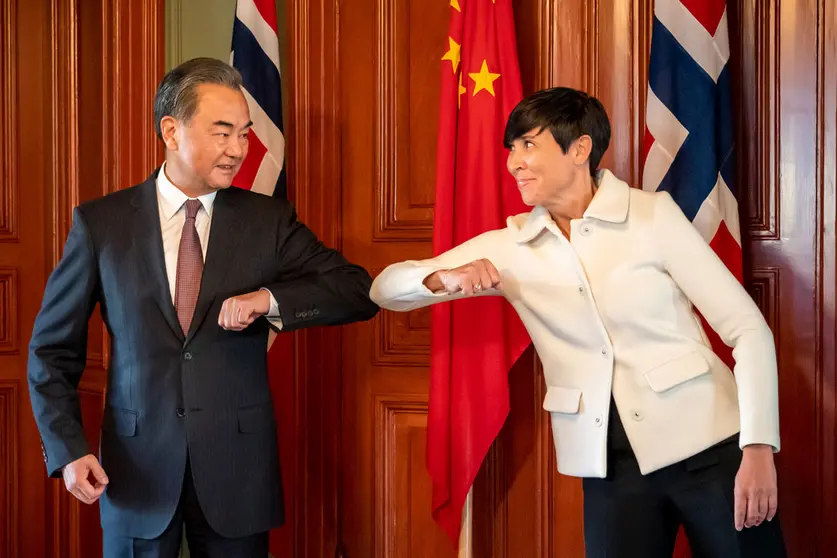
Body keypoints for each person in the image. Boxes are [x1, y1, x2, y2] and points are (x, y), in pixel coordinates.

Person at [369, 86, 787, 557]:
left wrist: (757, 449)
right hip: (608, 466)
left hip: (711, 448)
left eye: (529, 144)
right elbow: (383, 289)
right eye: (512, 148)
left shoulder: (653, 218)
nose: (513, 163)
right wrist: (443, 278)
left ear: (580, 149)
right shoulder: (511, 245)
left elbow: (747, 330)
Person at [28, 57, 379, 558]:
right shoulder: (101, 225)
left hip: (238, 473)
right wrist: (67, 451)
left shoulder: (268, 221)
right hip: (134, 473)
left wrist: (270, 299)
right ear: (171, 130)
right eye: (222, 132)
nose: (238, 150)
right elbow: (50, 352)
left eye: (244, 134)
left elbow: (356, 290)